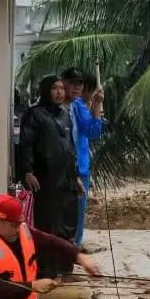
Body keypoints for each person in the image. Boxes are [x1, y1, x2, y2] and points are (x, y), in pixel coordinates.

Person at [16, 75, 81, 278]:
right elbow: (25, 145)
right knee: (48, 227)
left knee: (68, 225)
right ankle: (46, 272)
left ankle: (65, 269)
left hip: (67, 181)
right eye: (55, 88)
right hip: (46, 179)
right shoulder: (34, 115)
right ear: (46, 91)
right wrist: (27, 171)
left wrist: (76, 176)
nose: (60, 92)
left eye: (62, 88)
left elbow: (70, 149)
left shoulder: (65, 115)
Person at [61, 68, 105, 248]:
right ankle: (73, 250)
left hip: (79, 166)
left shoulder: (76, 106)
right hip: (78, 167)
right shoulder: (78, 106)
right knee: (77, 215)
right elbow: (93, 130)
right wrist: (97, 105)